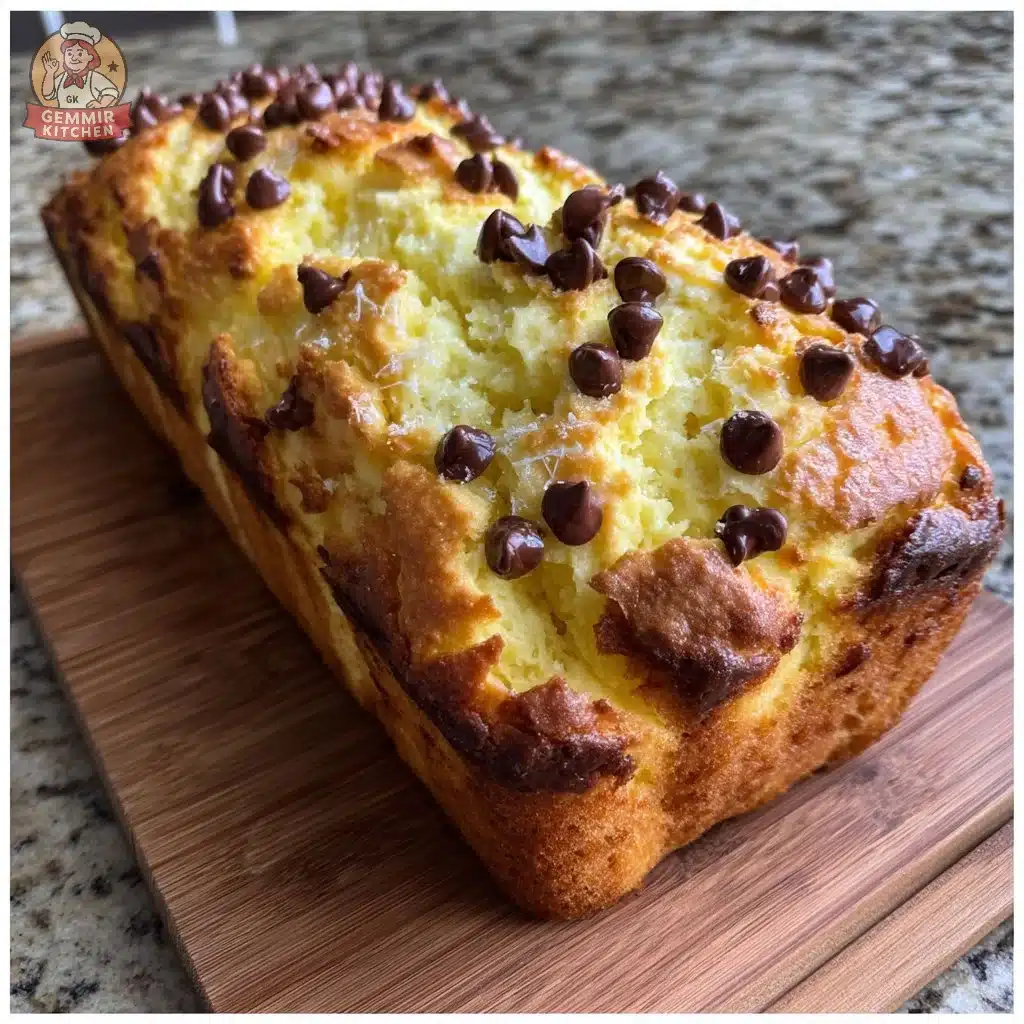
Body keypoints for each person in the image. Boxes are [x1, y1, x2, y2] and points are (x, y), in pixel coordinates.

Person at [40, 21, 119, 109]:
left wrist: (101, 104)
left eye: (80, 54)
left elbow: (111, 92)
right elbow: (48, 94)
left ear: (90, 57)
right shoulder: (62, 78)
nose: (74, 58)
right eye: (69, 54)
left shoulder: (93, 77)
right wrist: (50, 74)